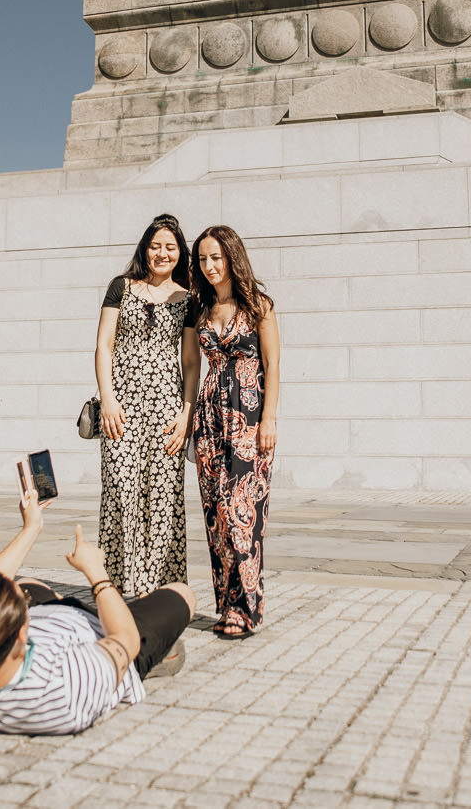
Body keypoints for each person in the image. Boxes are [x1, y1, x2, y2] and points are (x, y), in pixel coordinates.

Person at [0, 482, 195, 736]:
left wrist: (31, 527)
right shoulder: (65, 688)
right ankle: (155, 659)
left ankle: (65, 602)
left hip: (57, 619)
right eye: (22, 605)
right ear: (21, 636)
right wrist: (96, 573)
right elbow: (125, 641)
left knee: (26, 582)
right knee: (182, 594)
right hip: (105, 634)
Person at [93, 214, 200, 595]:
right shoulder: (120, 287)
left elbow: (190, 361)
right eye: (156, 245)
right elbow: (104, 344)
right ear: (145, 248)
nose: (162, 253)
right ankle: (117, 585)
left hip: (167, 405)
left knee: (164, 493)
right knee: (121, 488)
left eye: (170, 247)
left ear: (180, 253)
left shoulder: (188, 298)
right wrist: (107, 398)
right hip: (121, 404)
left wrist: (186, 413)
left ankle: (159, 589)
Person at [190, 225, 280, 639]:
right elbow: (193, 369)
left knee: (242, 514)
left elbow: (273, 365)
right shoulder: (201, 310)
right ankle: (227, 605)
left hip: (247, 418)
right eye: (203, 259)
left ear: (232, 257)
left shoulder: (259, 305)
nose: (210, 266)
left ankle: (247, 609)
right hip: (209, 421)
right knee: (216, 517)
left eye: (216, 257)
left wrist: (269, 419)